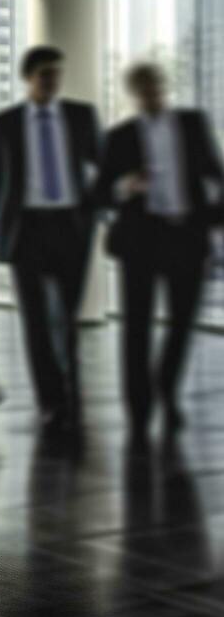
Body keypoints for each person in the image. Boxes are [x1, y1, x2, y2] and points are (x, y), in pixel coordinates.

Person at [95, 63, 224, 441]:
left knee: (182, 323)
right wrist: (126, 186)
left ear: (163, 86)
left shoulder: (191, 123)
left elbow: (216, 175)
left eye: (155, 85)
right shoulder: (120, 136)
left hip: (187, 235)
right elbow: (101, 192)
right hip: (141, 240)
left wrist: (214, 218)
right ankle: (139, 410)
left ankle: (166, 386)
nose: (151, 92)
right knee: (136, 327)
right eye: (143, 88)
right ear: (134, 92)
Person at [0, 45, 101, 431]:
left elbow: (105, 164)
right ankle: (51, 401)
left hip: (71, 227)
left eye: (57, 73)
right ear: (28, 77)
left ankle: (71, 392)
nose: (53, 81)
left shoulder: (81, 116)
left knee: (66, 318)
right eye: (46, 74)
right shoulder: (6, 122)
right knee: (35, 322)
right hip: (26, 230)